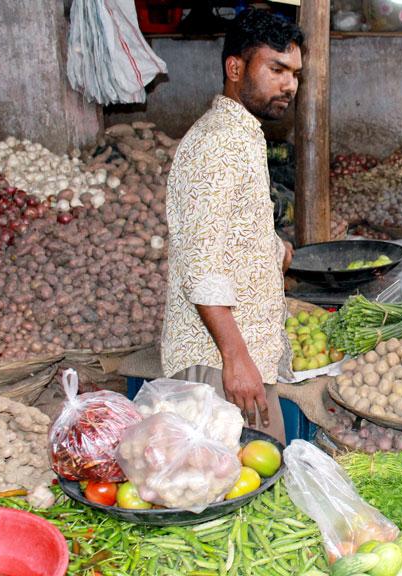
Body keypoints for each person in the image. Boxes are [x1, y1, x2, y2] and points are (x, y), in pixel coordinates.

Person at [161, 9, 302, 443]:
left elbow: (222, 230)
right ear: (235, 68)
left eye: (295, 73)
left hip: (239, 357)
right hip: (217, 364)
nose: (289, 85)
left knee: (256, 484)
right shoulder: (218, 143)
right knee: (236, 490)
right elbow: (201, 268)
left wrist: (271, 248)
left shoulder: (242, 135)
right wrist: (236, 359)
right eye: (276, 69)